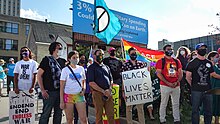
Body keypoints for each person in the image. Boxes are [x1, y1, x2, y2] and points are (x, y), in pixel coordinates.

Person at [186, 43, 220, 124]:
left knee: (209, 111)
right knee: (195, 111)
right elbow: (188, 77)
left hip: (208, 90)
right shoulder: (192, 62)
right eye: (201, 48)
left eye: (204, 48)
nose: (203, 49)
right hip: (196, 91)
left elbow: (212, 74)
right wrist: (193, 86)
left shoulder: (208, 62)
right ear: (197, 51)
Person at [38, 42, 66, 124]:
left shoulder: (63, 61)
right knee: (46, 113)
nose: (61, 50)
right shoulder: (46, 60)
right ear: (53, 49)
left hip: (60, 92)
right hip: (49, 92)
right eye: (59, 48)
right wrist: (42, 90)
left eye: (61, 48)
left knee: (58, 114)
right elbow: (39, 75)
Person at [156, 44, 183, 124]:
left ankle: (177, 119)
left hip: (176, 85)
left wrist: (177, 81)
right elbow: (158, 73)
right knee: (164, 103)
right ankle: (162, 119)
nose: (170, 51)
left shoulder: (177, 61)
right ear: (164, 51)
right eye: (168, 49)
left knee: (175, 103)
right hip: (165, 85)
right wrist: (167, 82)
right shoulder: (161, 61)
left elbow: (180, 72)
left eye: (171, 49)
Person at [60, 51, 88, 124]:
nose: (76, 59)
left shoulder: (81, 69)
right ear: (69, 59)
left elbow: (83, 81)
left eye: (77, 57)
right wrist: (62, 101)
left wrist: (84, 90)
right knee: (69, 120)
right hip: (68, 96)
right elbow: (62, 86)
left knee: (84, 119)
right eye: (74, 58)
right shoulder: (65, 70)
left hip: (79, 95)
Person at [87, 49, 114, 124]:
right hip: (97, 93)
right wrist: (103, 91)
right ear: (94, 56)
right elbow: (91, 83)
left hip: (108, 93)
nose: (101, 56)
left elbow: (111, 80)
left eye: (102, 54)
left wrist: (109, 90)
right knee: (99, 115)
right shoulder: (91, 68)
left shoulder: (106, 67)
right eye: (99, 54)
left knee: (111, 114)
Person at [122, 47, 147, 124]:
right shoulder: (125, 65)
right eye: (132, 53)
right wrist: (123, 91)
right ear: (129, 54)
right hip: (129, 89)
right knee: (129, 109)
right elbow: (123, 78)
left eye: (135, 53)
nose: (134, 55)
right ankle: (129, 122)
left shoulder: (141, 64)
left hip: (139, 89)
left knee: (140, 109)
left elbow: (144, 77)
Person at [103, 47, 125, 116]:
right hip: (109, 80)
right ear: (109, 52)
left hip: (118, 79)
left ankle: (119, 109)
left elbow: (122, 69)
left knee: (118, 96)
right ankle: (108, 109)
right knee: (109, 94)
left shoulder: (119, 61)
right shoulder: (105, 60)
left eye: (114, 51)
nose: (113, 52)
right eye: (112, 51)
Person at [207, 51, 220, 124]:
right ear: (211, 57)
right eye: (216, 57)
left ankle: (217, 120)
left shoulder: (216, 65)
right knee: (213, 103)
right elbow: (213, 75)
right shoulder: (209, 65)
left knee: (217, 104)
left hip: (217, 86)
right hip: (213, 86)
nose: (218, 58)